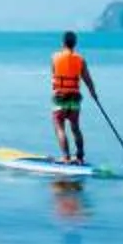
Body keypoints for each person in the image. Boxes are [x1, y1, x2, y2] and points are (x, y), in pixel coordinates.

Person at [49, 31, 91, 163]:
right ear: (75, 43)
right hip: (74, 97)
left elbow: (54, 73)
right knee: (75, 127)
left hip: (60, 98)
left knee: (59, 127)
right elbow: (87, 79)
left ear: (62, 43)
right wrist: (93, 93)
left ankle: (66, 157)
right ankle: (80, 157)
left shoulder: (54, 57)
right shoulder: (80, 59)